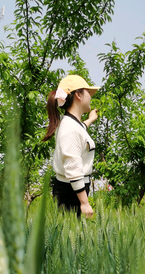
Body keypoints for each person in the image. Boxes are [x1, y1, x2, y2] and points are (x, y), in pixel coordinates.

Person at [42, 75, 100, 218]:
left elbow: (80, 130)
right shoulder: (70, 128)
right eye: (88, 92)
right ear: (78, 95)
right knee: (71, 237)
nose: (90, 97)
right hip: (71, 193)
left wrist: (90, 120)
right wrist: (84, 203)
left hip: (73, 190)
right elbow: (72, 168)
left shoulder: (71, 124)